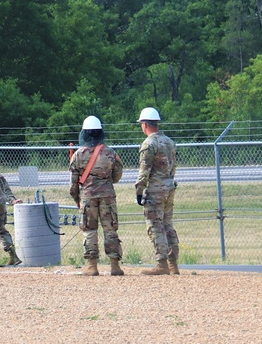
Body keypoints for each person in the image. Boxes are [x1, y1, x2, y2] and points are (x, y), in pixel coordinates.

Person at [69, 116, 124, 276]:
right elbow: (117, 175)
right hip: (107, 195)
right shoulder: (110, 153)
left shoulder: (78, 155)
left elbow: (73, 185)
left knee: (89, 230)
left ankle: (92, 266)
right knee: (110, 229)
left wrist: (77, 200)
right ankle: (115, 266)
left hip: (87, 196)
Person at [135, 107, 180, 275]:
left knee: (155, 225)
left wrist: (139, 190)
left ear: (145, 124)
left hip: (155, 190)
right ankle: (173, 263)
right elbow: (173, 166)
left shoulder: (149, 144)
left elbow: (144, 170)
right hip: (169, 187)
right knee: (168, 224)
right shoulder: (169, 142)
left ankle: (161, 264)